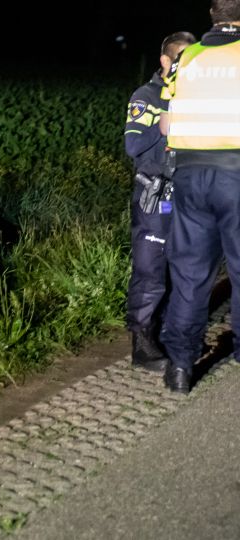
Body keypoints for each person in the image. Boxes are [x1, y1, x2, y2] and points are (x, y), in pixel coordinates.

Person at [159, 0, 240, 393]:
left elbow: (166, 122)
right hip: (236, 173)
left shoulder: (186, 57)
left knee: (190, 275)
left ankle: (179, 366)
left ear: (213, 16)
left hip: (190, 174)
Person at [124, 31, 196, 372]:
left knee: (183, 272)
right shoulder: (147, 96)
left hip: (187, 198)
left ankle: (169, 334)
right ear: (166, 61)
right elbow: (133, 147)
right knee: (150, 273)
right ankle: (141, 342)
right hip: (153, 198)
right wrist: (162, 128)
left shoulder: (197, 98)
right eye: (182, 59)